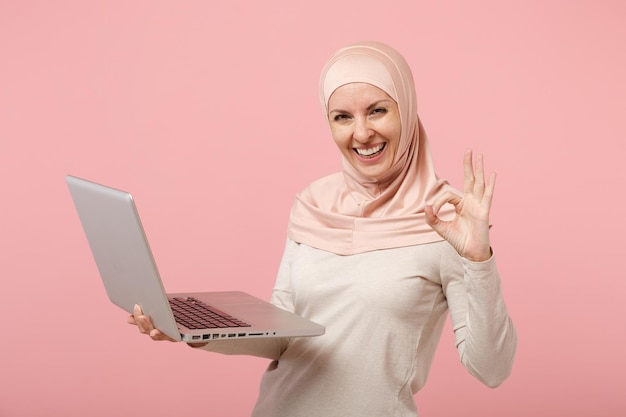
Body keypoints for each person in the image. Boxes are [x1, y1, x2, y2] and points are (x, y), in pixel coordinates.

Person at [128, 41, 517, 417]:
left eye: (378, 111)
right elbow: (282, 334)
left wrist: (478, 259)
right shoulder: (314, 203)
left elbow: (492, 369)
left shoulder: (447, 219)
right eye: (342, 117)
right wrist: (194, 330)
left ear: (408, 110)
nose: (361, 133)